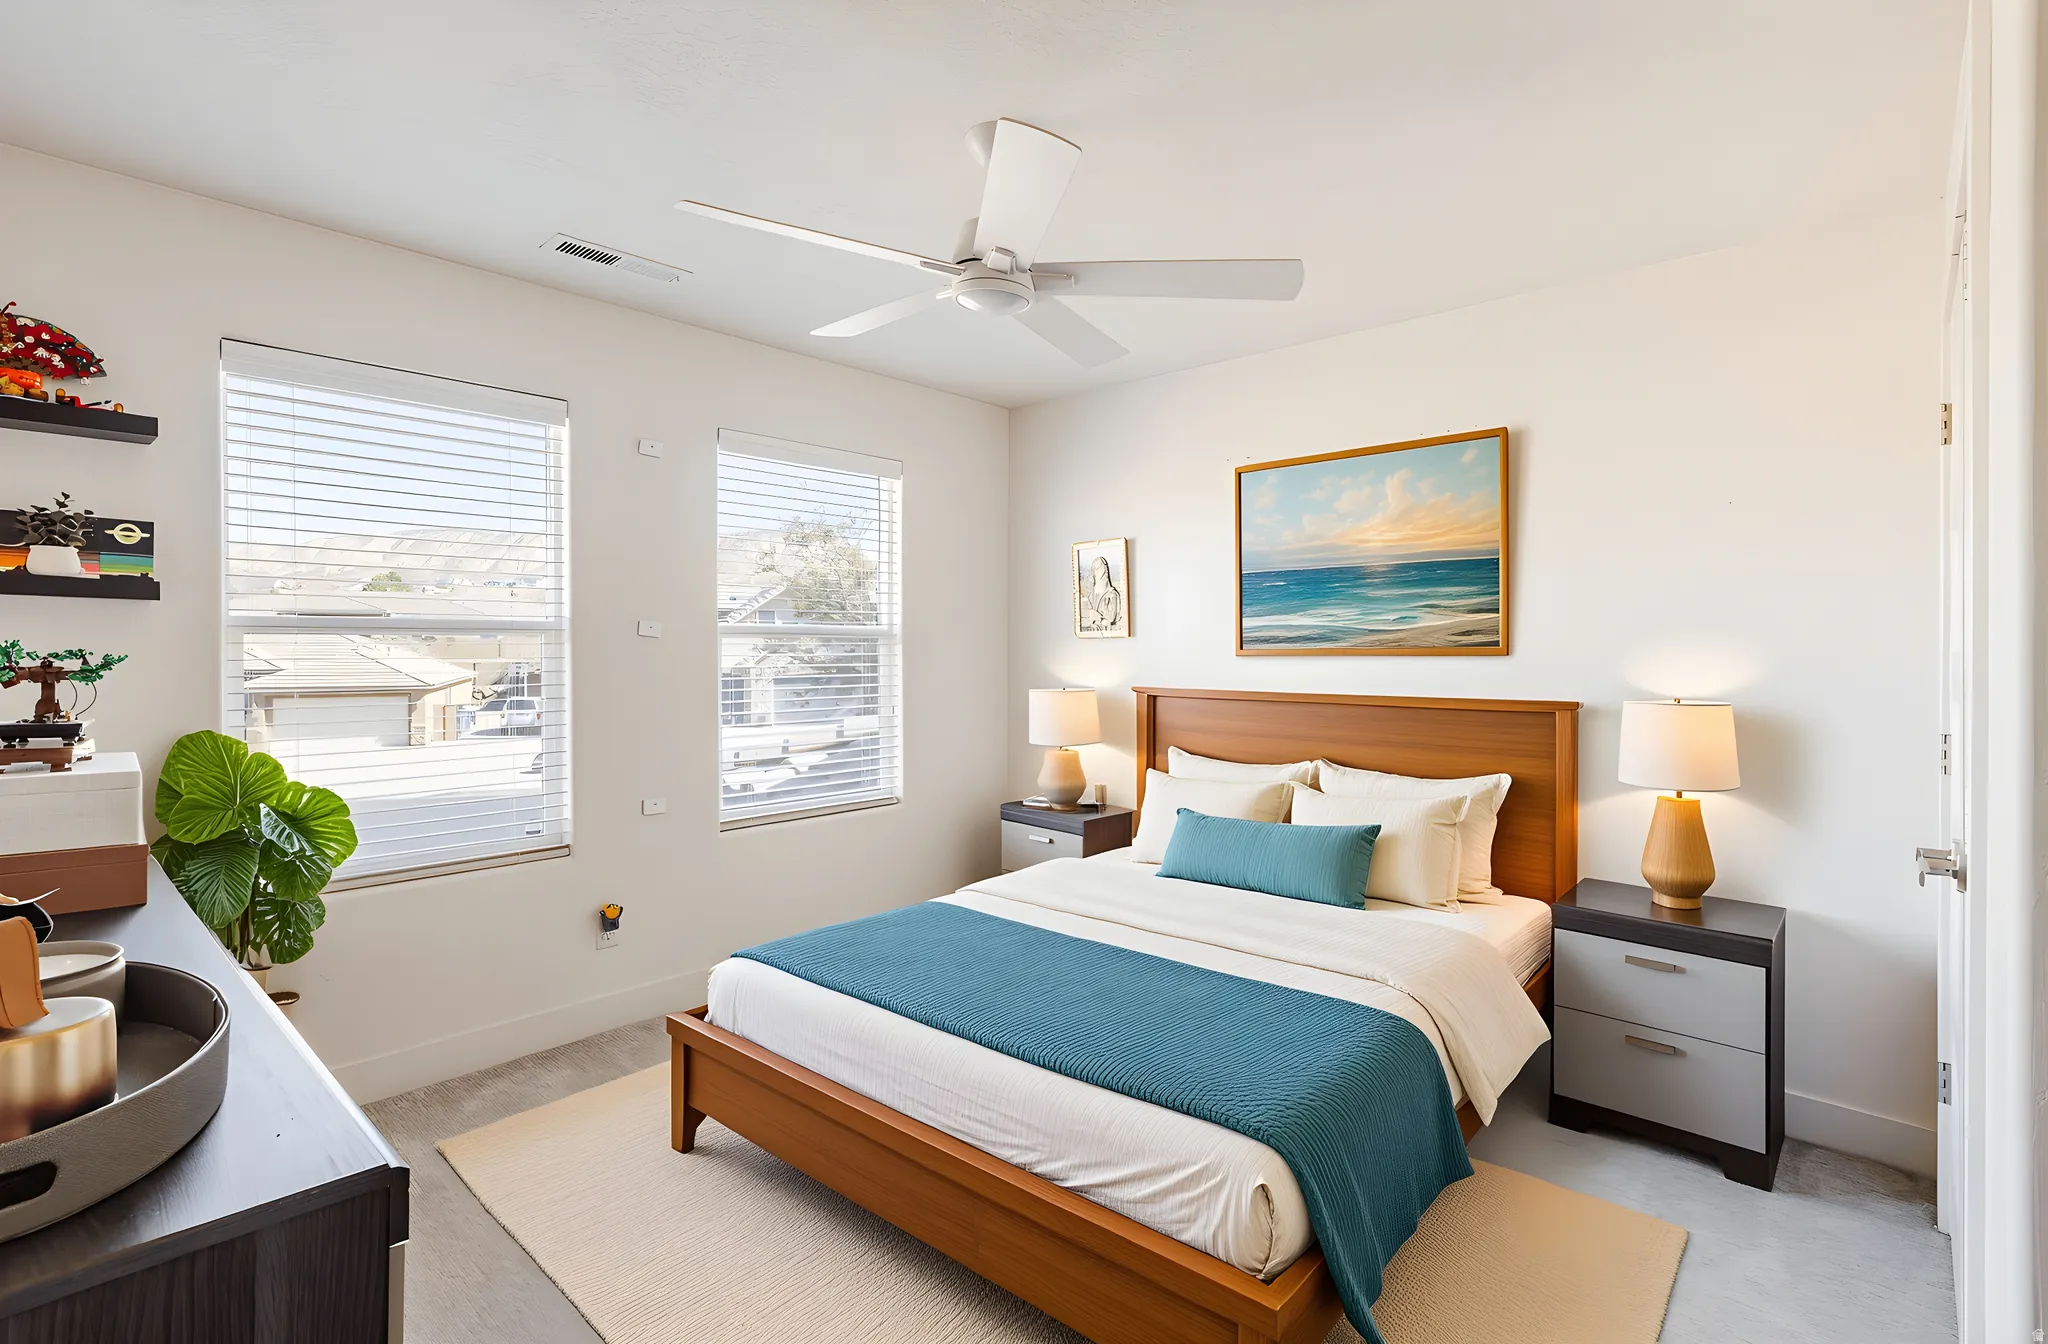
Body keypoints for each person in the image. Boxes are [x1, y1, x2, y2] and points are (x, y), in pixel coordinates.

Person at [1081, 553, 1123, 631]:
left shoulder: (1112, 595)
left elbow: (1109, 620)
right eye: (1096, 568)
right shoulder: (1091, 597)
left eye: (1100, 567)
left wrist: (1098, 618)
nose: (1097, 571)